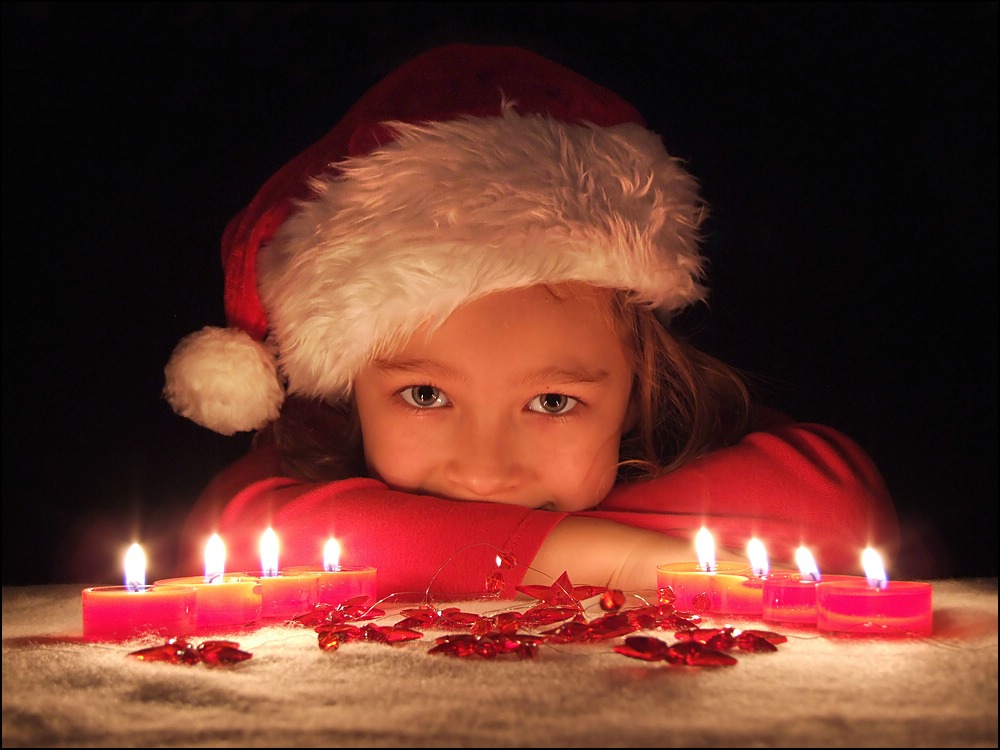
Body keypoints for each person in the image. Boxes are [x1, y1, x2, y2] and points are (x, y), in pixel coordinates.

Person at [164, 43, 900, 600]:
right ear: (350, 389)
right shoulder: (311, 461)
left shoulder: (679, 458)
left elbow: (835, 510)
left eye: (552, 402)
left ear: (640, 389)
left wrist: (453, 548)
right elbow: (231, 531)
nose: (485, 471)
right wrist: (615, 560)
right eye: (425, 395)